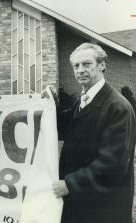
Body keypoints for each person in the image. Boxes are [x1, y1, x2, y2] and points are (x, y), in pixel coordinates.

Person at [52, 43, 136, 223]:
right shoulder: (83, 100)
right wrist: (48, 104)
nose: (80, 70)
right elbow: (65, 128)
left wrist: (70, 184)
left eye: (86, 64)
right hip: (81, 205)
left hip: (103, 210)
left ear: (102, 65)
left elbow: (112, 164)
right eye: (76, 66)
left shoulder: (117, 107)